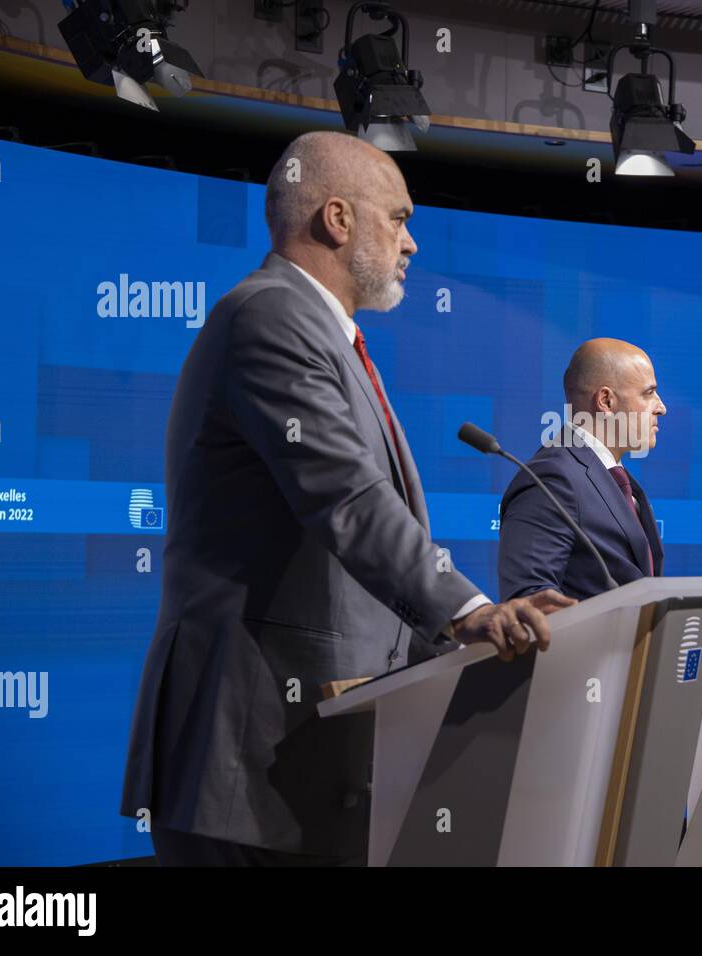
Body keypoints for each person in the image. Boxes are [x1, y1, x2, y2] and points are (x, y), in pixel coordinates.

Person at [119, 131, 573, 866]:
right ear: (337, 219)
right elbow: (346, 500)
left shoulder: (324, 335)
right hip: (245, 746)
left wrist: (469, 645)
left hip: (305, 761)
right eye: (398, 218)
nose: (412, 243)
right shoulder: (270, 317)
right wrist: (471, 612)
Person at [498, 338, 666, 601]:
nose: (661, 407)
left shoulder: (618, 479)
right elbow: (531, 599)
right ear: (606, 401)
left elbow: (642, 596)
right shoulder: (551, 479)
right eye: (649, 393)